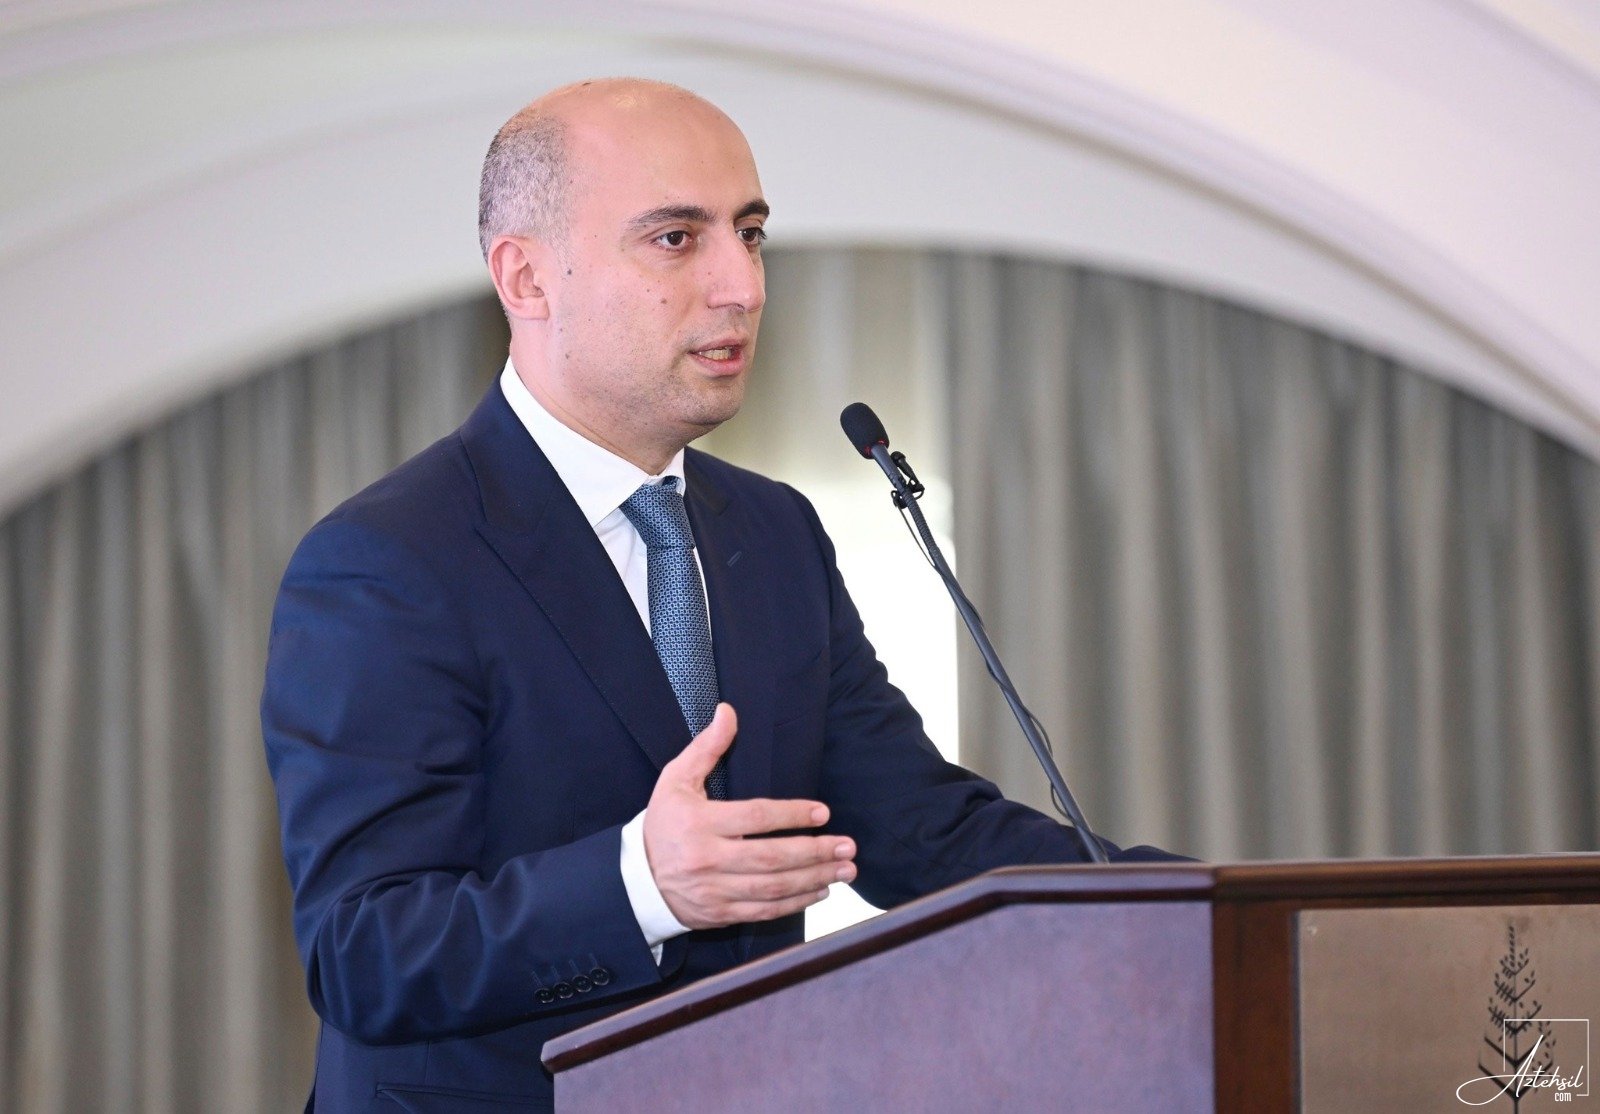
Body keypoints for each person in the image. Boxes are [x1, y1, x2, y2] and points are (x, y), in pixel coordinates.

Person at [262, 77, 1173, 1112]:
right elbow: (365, 952)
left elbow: (921, 829)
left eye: (750, 233)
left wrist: (1198, 912)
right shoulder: (388, 561)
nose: (742, 285)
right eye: (675, 239)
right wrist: (639, 888)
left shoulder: (773, 532)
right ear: (527, 277)